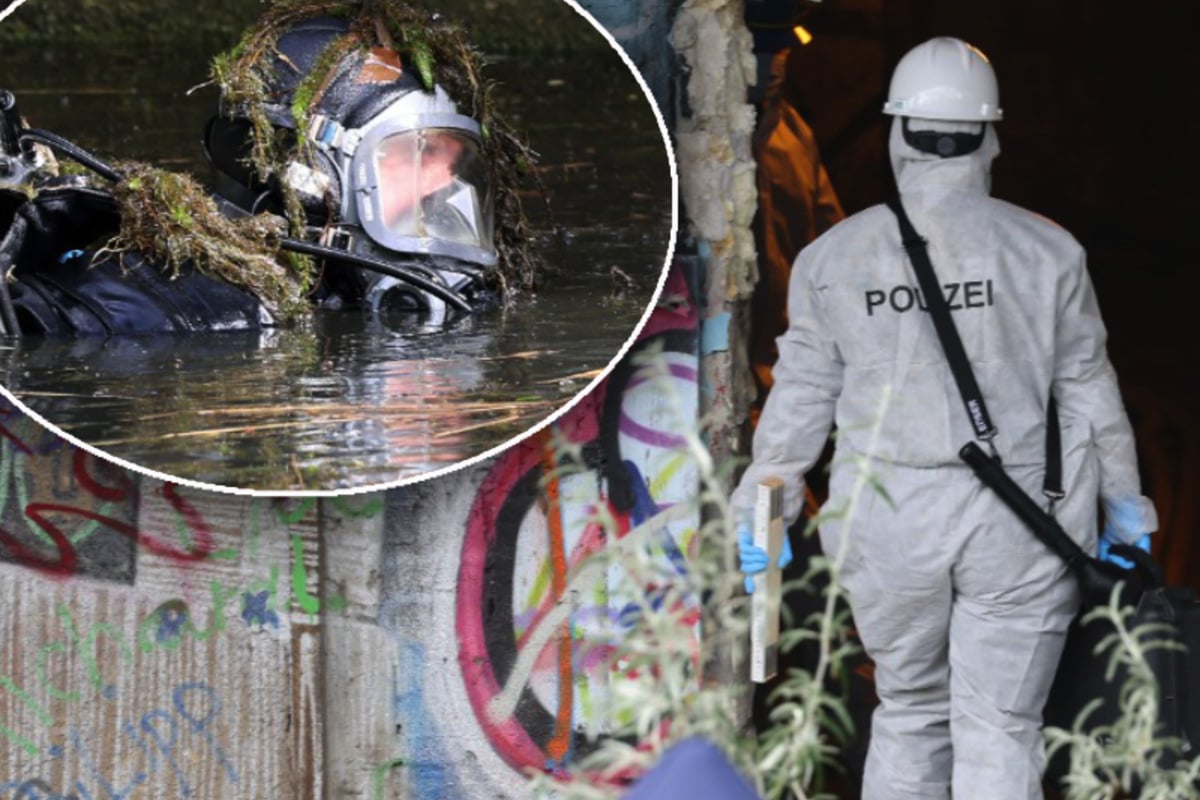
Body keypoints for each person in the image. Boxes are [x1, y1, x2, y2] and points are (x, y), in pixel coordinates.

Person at [733, 37, 1157, 799]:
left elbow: (800, 399)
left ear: (897, 133)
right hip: (1020, 523)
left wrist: (763, 503)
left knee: (910, 710)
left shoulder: (835, 259)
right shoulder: (1048, 252)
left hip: (885, 521)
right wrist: (1124, 508)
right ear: (990, 136)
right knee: (1000, 726)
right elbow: (1091, 396)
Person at [0, 6, 530, 337]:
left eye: (453, 156)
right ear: (310, 177)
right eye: (418, 155)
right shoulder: (168, 309)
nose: (446, 180)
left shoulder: (339, 285)